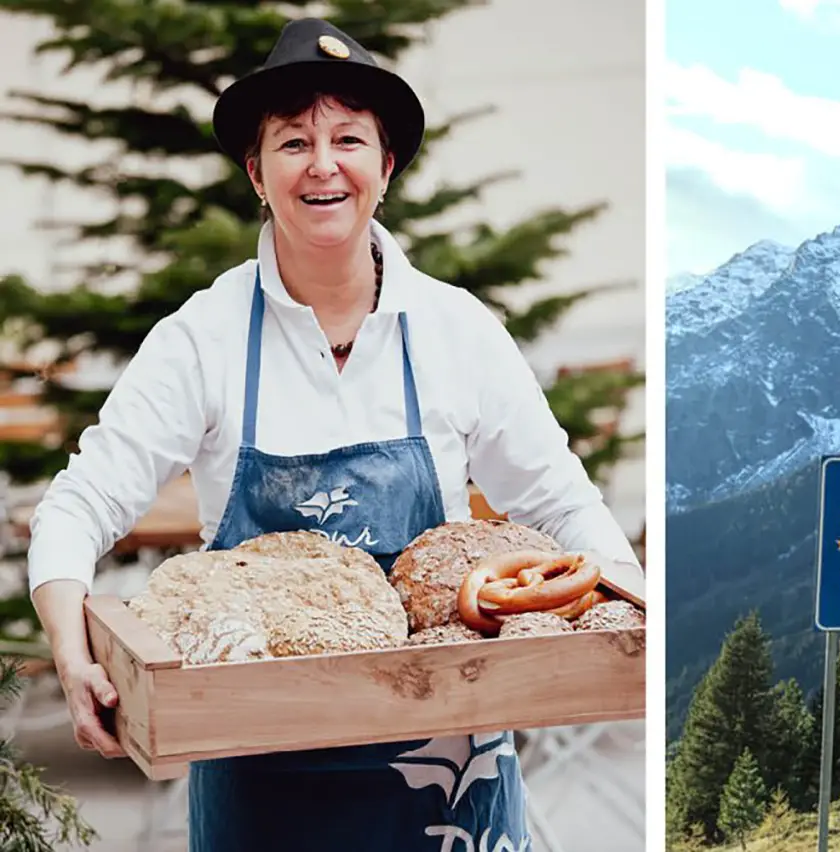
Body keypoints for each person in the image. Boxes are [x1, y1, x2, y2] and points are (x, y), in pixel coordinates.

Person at [26, 17, 643, 852]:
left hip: (452, 770)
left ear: (385, 169)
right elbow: (80, 504)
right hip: (260, 767)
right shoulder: (203, 337)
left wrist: (636, 616)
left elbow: (562, 504)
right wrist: (71, 649)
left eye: (349, 138)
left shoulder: (456, 330)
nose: (323, 164)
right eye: (292, 142)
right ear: (257, 172)